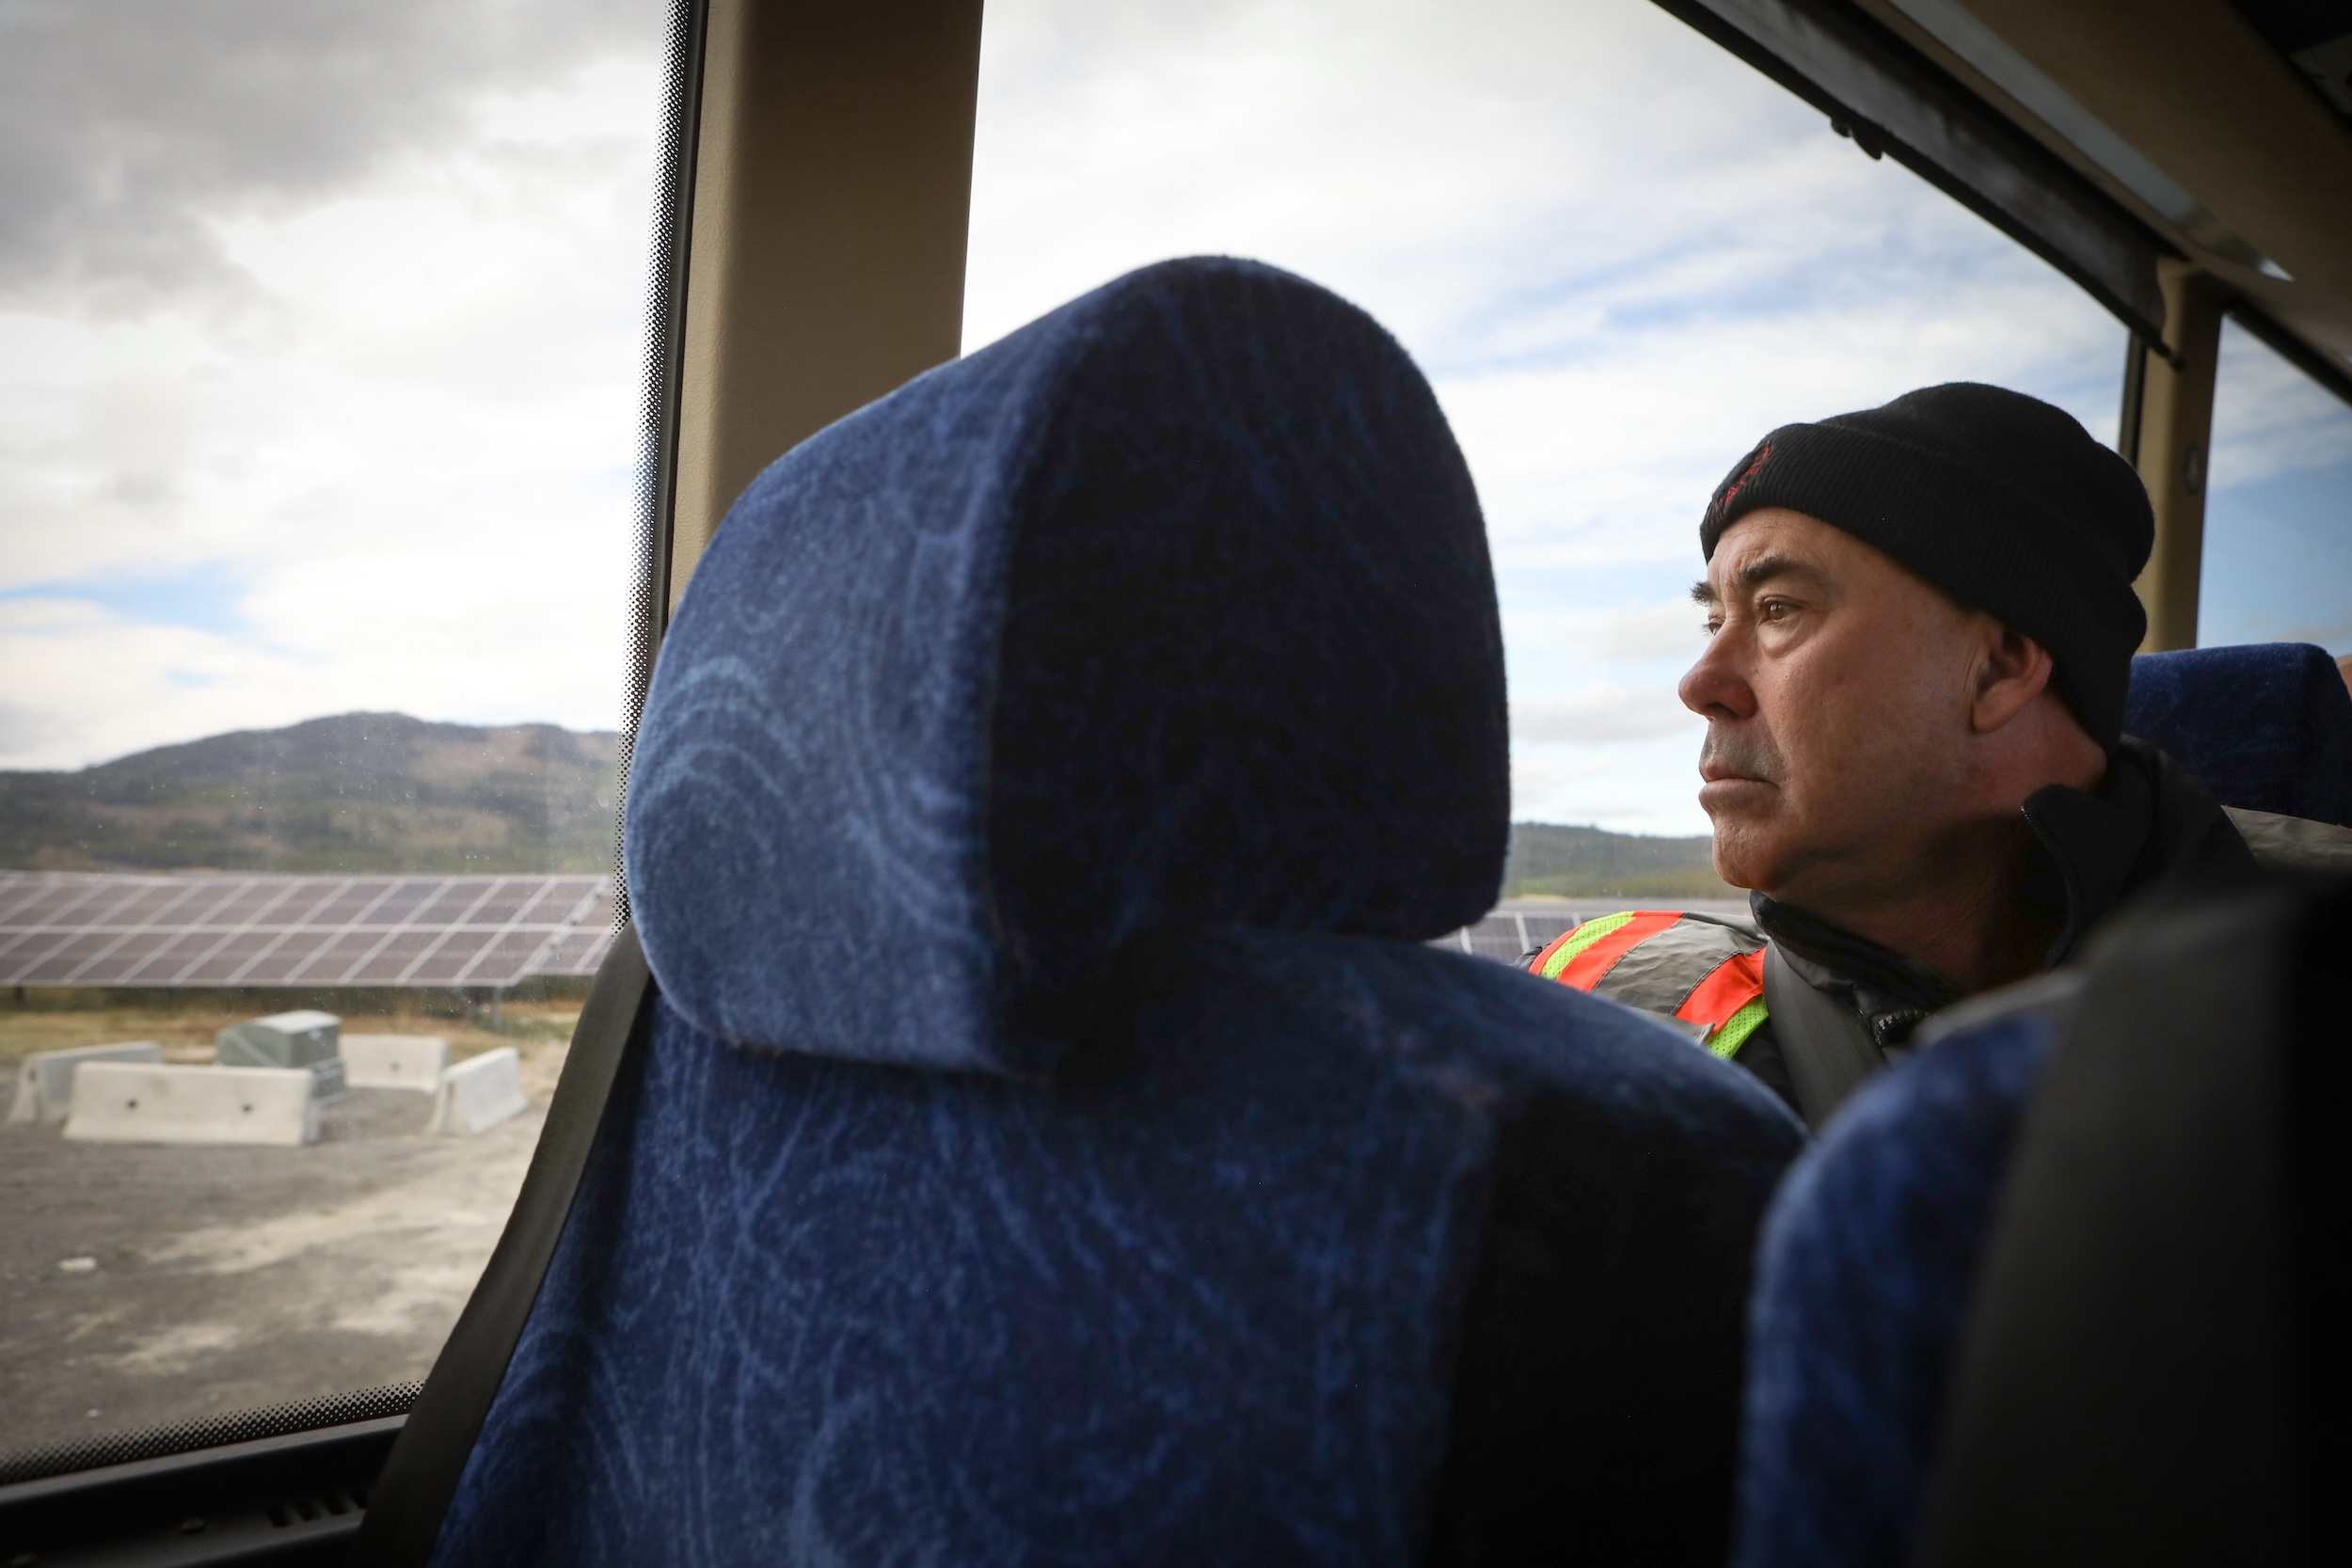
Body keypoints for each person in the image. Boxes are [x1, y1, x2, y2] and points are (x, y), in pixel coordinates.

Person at [1528, 383, 2258, 1128]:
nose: (1699, 683)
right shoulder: (1583, 995)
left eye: (1778, 610)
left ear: (1999, 667)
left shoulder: (2307, 997)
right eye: (1714, 620)